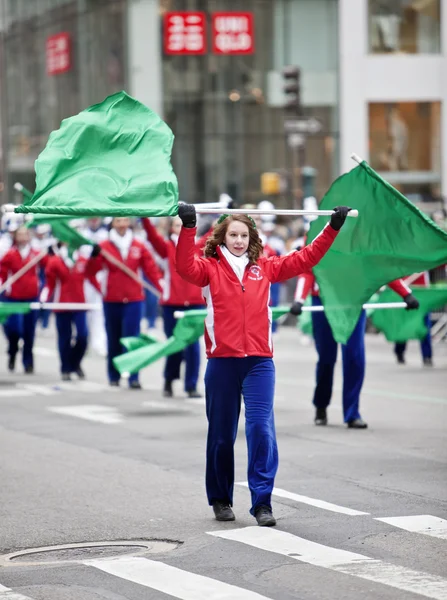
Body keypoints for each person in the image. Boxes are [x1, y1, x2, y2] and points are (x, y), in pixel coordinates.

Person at [176, 203, 351, 526]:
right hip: (222, 363)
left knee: (260, 429)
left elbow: (307, 258)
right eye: (234, 235)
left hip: (259, 363)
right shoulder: (208, 268)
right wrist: (188, 227)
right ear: (223, 238)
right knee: (221, 436)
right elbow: (184, 266)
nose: (239, 240)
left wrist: (333, 228)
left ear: (252, 238)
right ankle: (220, 498)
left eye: (244, 235)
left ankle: (262, 503)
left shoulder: (265, 267)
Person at [291, 272, 420, 428]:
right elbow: (307, 269)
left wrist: (406, 294)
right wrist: (299, 299)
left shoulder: (360, 246)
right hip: (324, 300)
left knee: (354, 356)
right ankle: (321, 405)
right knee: (326, 358)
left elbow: (378, 264)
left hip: (354, 301)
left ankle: (352, 413)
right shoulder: (318, 246)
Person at [87, 217, 162, 389]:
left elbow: (151, 269)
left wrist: (161, 289)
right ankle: (113, 375)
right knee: (113, 339)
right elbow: (91, 272)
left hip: (134, 299)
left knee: (132, 339)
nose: (122, 225)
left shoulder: (138, 244)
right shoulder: (104, 246)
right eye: (118, 221)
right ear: (112, 224)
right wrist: (93, 257)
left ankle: (133, 376)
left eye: (125, 221)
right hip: (111, 300)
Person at [143, 217, 205, 398]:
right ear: (171, 228)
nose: (181, 228)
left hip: (194, 305)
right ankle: (169, 380)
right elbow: (151, 235)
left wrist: (225, 211)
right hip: (172, 305)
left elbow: (215, 231)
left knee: (193, 346)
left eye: (184, 224)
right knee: (174, 346)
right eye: (178, 225)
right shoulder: (166, 247)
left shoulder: (199, 246)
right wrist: (144, 216)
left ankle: (191, 385)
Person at [40, 244, 98, 381]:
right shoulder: (55, 261)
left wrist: (95, 256)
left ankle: (75, 362)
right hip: (62, 304)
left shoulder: (83, 260)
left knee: (83, 336)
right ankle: (65, 368)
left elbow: (93, 276)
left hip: (80, 305)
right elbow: (50, 284)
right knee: (64, 338)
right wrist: (43, 298)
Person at [0, 226, 49, 373]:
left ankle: (28, 361)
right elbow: (2, 274)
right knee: (15, 329)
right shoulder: (9, 254)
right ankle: (13, 352)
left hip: (31, 297)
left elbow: (48, 266)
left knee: (29, 331)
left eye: (25, 234)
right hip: (12, 298)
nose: (22, 237)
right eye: (19, 234)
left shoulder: (36, 254)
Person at [394, 272, 433, 366]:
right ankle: (399, 352)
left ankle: (427, 356)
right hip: (404, 292)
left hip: (422, 294)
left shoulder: (426, 261)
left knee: (424, 327)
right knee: (403, 327)